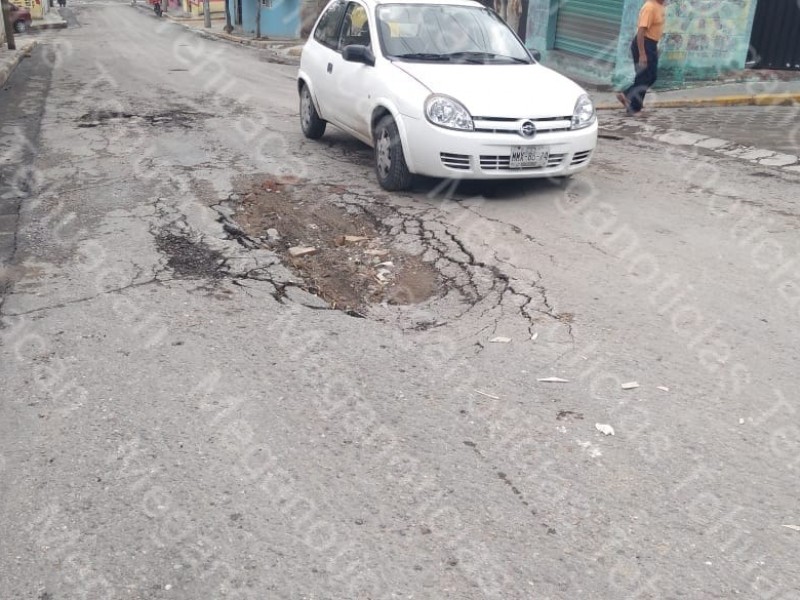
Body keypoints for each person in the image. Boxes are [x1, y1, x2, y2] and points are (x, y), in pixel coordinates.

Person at [617, 0, 666, 116]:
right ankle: (634, 108)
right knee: (643, 77)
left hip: (651, 45)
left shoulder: (659, 6)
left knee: (651, 77)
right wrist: (642, 53)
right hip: (643, 44)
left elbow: (655, 29)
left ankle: (626, 94)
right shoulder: (649, 7)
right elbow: (641, 32)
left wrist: (655, 47)